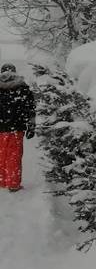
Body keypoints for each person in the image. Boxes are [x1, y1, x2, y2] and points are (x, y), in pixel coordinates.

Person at [0, 63, 36, 193]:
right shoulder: (23, 87)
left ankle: (2, 181)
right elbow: (30, 108)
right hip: (16, 128)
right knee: (14, 156)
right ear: (14, 72)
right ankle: (13, 184)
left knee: (1, 155)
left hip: (1, 128)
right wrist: (31, 126)